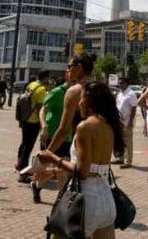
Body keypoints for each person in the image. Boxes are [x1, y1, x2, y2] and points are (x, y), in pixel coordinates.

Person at [39, 81, 124, 239]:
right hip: (106, 200)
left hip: (84, 201)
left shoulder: (85, 127)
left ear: (90, 100)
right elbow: (94, 167)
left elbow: (83, 172)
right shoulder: (109, 126)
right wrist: (53, 171)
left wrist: (53, 158)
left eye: (81, 99)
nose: (78, 104)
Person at [38, 52, 96, 202]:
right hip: (100, 150)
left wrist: (48, 153)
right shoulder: (102, 89)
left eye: (70, 66)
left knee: (76, 199)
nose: (68, 70)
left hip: (80, 144)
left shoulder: (75, 91)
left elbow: (64, 129)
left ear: (79, 67)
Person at [32, 79, 70, 204]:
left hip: (68, 136)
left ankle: (38, 186)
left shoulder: (79, 93)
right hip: (52, 135)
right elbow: (43, 109)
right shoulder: (57, 92)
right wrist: (44, 127)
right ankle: (61, 201)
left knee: (62, 169)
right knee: (58, 169)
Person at [17, 70, 49, 182]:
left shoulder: (31, 84)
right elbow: (40, 108)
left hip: (25, 118)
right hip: (33, 121)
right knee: (28, 147)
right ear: (45, 77)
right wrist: (42, 124)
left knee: (24, 144)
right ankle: (23, 173)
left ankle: (20, 166)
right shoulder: (42, 89)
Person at [115, 75, 137, 169]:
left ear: (126, 83)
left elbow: (134, 108)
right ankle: (121, 158)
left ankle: (128, 161)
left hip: (127, 122)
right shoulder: (120, 94)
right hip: (119, 121)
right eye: (119, 83)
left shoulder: (131, 94)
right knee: (121, 141)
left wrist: (131, 121)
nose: (119, 84)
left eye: (121, 83)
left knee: (128, 142)